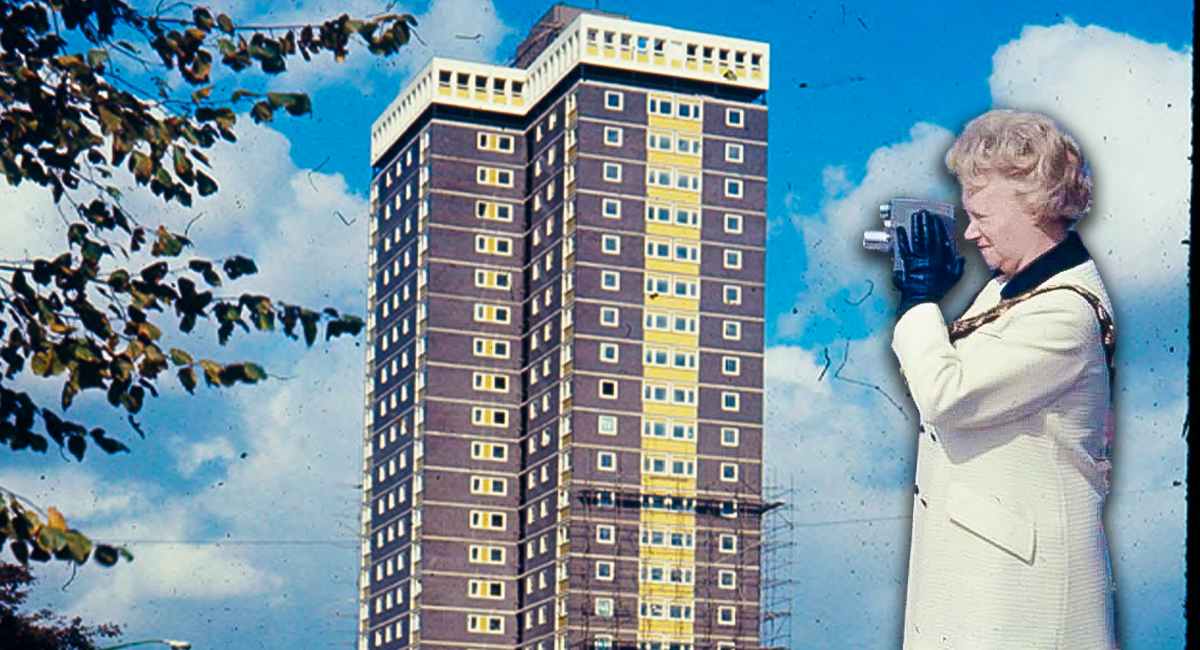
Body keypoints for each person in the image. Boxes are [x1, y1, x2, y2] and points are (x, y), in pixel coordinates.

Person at [889, 109, 1117, 649]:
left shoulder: (1066, 313)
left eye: (981, 215)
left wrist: (920, 302)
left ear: (1034, 207)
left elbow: (947, 395)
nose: (970, 233)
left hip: (1025, 599)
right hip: (983, 587)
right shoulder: (1008, 292)